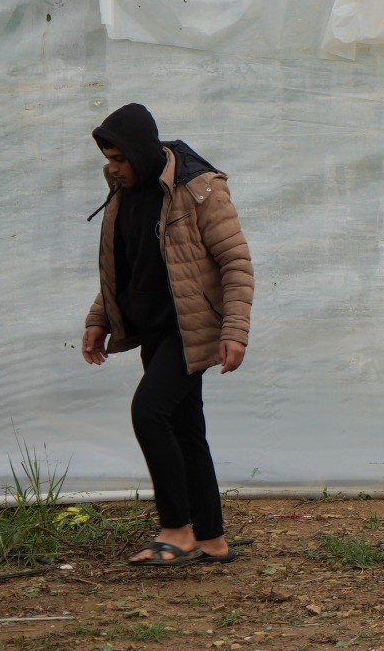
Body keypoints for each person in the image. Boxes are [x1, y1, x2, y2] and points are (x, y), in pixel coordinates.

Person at [82, 103, 255, 566]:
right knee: (185, 429)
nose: (113, 168)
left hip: (191, 327)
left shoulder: (199, 191)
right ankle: (212, 538)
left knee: (148, 412)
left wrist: (235, 330)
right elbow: (124, 266)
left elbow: (236, 263)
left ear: (140, 150)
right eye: (110, 159)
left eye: (120, 159)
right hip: (154, 327)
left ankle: (177, 528)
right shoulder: (124, 192)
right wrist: (99, 318)